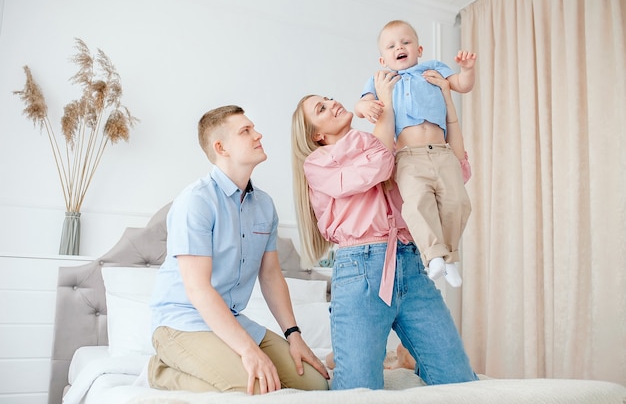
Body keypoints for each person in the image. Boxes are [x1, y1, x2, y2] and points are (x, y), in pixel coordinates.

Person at [291, 71, 477, 390]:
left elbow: (456, 174)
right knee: (358, 389)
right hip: (360, 270)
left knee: (458, 381)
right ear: (317, 135)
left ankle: (399, 358)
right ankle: (348, 356)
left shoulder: (384, 138)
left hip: (410, 263)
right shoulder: (320, 163)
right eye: (320, 109)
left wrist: (434, 141)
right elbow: (377, 166)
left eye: (328, 99)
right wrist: (388, 105)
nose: (332, 103)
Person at [148, 105, 330, 395]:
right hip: (181, 322)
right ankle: (162, 371)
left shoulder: (265, 206)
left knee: (315, 384)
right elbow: (198, 290)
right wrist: (248, 350)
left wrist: (294, 335)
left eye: (253, 128)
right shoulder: (196, 202)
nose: (258, 134)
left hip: (229, 320)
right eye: (246, 131)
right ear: (221, 147)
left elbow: (270, 276)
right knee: (253, 387)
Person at [355, 19, 476, 288]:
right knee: (418, 203)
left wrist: (467, 69)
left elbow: (461, 84)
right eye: (392, 45)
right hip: (408, 157)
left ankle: (450, 256)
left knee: (458, 203)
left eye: (406, 42)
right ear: (383, 58)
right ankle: (433, 255)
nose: (400, 47)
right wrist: (366, 108)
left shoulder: (431, 69)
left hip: (442, 152)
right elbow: (360, 104)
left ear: (419, 49)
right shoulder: (382, 79)